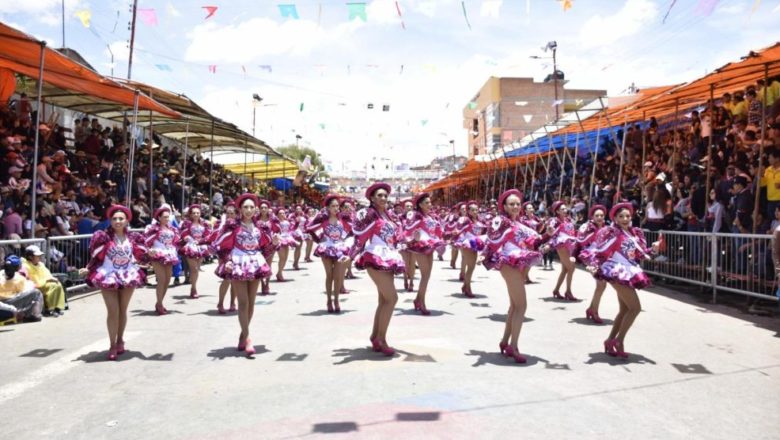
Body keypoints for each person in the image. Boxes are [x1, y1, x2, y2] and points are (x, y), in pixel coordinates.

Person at [583, 203, 659, 358]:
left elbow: (638, 254)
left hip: (629, 271)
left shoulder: (632, 234)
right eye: (621, 216)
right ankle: (619, 341)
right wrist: (594, 265)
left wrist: (653, 249)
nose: (625, 219)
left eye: (628, 216)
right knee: (635, 308)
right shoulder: (615, 234)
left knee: (625, 310)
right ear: (615, 219)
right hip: (618, 272)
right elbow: (602, 251)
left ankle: (610, 340)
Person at [213, 193, 279, 357]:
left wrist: (274, 244)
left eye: (251, 207)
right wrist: (226, 261)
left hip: (255, 264)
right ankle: (248, 338)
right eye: (245, 207)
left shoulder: (261, 228)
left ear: (255, 209)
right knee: (243, 303)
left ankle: (243, 335)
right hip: (238, 263)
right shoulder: (232, 227)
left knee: (251, 303)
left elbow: (265, 250)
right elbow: (220, 246)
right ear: (240, 209)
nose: (248, 210)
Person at [481, 189, 543, 363]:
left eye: (517, 204)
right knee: (521, 306)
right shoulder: (501, 221)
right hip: (509, 263)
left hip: (519, 262)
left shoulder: (520, 223)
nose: (515, 207)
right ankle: (513, 347)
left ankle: (505, 342)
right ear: (504, 206)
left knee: (515, 306)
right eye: (511, 204)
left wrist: (548, 236)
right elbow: (492, 240)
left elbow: (534, 240)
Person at [350, 182, 405, 356]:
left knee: (384, 301)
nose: (383, 198)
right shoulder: (371, 215)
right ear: (372, 198)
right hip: (375, 256)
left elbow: (395, 237)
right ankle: (382, 340)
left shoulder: (388, 216)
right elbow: (360, 238)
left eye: (385, 195)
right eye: (379, 195)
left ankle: (375, 337)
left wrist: (411, 238)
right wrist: (350, 255)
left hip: (390, 256)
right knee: (392, 299)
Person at [85, 205, 147, 360]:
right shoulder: (103, 237)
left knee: (122, 310)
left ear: (127, 220)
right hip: (108, 274)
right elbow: (95, 256)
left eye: (121, 218)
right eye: (114, 219)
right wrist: (87, 268)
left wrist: (148, 254)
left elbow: (141, 254)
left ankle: (120, 340)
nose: (117, 221)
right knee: (113, 311)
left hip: (128, 274)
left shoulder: (133, 238)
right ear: (110, 220)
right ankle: (112, 344)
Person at [305, 194, 352, 313]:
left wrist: (345, 240)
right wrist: (319, 240)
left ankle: (336, 300)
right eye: (333, 206)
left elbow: (354, 230)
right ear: (327, 208)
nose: (336, 208)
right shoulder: (323, 220)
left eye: (337, 206)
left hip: (340, 249)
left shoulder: (343, 219)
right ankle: (329, 300)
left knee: (337, 277)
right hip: (326, 249)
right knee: (329, 276)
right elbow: (309, 229)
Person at [403, 192, 445, 315]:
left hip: (431, 246)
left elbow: (438, 231)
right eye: (426, 203)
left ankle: (417, 299)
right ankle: (422, 302)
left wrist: (448, 236)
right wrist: (412, 239)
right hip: (420, 246)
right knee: (425, 276)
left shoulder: (432, 217)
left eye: (430, 202)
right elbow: (407, 230)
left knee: (427, 276)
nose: (429, 204)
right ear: (420, 204)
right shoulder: (417, 216)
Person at [144, 206, 181, 315]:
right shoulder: (154, 229)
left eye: (168, 217)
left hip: (169, 255)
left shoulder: (171, 229)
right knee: (161, 279)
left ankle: (159, 302)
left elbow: (176, 241)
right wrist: (149, 250)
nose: (167, 219)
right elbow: (146, 241)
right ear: (159, 217)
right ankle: (159, 304)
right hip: (158, 254)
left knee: (167, 280)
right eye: (164, 217)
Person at [576, 205, 608, 324]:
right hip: (591, 257)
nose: (599, 217)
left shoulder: (607, 227)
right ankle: (594, 311)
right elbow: (580, 241)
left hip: (603, 257)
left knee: (602, 286)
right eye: (597, 215)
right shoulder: (587, 227)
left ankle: (591, 309)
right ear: (592, 217)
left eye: (601, 215)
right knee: (601, 284)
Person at [541, 201, 579, 301]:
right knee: (571, 268)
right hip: (561, 245)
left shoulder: (568, 219)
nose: (565, 210)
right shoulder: (555, 220)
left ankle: (556, 290)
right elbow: (551, 231)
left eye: (565, 208)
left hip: (570, 245)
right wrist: (549, 243)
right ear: (557, 211)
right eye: (562, 209)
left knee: (565, 269)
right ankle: (568, 291)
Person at [452, 200, 486, 298]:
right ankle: (468, 288)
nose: (475, 212)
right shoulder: (465, 220)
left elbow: (484, 231)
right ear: (468, 211)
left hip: (476, 244)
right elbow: (459, 230)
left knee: (472, 267)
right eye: (473, 210)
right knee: (471, 267)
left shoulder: (480, 221)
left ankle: (465, 286)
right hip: (467, 244)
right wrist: (457, 236)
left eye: (476, 210)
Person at [21, 245, 66, 316]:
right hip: (34, 286)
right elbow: (34, 281)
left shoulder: (40, 264)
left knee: (58, 284)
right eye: (37, 256)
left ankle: (57, 308)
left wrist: (51, 279)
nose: (39, 257)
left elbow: (47, 274)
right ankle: (49, 309)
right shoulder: (26, 266)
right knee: (53, 286)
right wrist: (48, 279)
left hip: (43, 283)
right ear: (30, 257)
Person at [179, 204, 212, 299]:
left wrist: (202, 240)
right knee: (194, 269)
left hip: (201, 246)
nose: (196, 214)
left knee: (197, 269)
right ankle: (194, 289)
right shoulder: (186, 223)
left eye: (198, 213)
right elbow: (183, 234)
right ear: (190, 214)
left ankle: (193, 286)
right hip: (190, 246)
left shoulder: (204, 223)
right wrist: (188, 238)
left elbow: (208, 234)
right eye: (194, 213)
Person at [0, 255, 44, 323]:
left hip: (3, 304)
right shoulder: (19, 278)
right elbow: (24, 291)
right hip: (10, 303)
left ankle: (26, 314)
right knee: (36, 293)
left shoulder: (1, 273)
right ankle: (33, 315)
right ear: (18, 267)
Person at [213, 201, 238, 313]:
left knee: (235, 279)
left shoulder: (239, 225)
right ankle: (221, 302)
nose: (230, 215)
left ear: (237, 214)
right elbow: (213, 238)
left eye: (232, 213)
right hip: (224, 254)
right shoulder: (220, 224)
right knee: (227, 278)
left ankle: (233, 302)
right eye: (228, 213)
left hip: (237, 254)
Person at [271, 207, 300, 282]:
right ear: (277, 215)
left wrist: (297, 223)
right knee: (282, 258)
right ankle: (280, 273)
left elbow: (291, 229)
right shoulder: (275, 223)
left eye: (283, 213)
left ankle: (279, 272)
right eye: (280, 213)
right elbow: (274, 231)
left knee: (285, 258)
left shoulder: (287, 222)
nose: (282, 214)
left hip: (287, 239)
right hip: (280, 240)